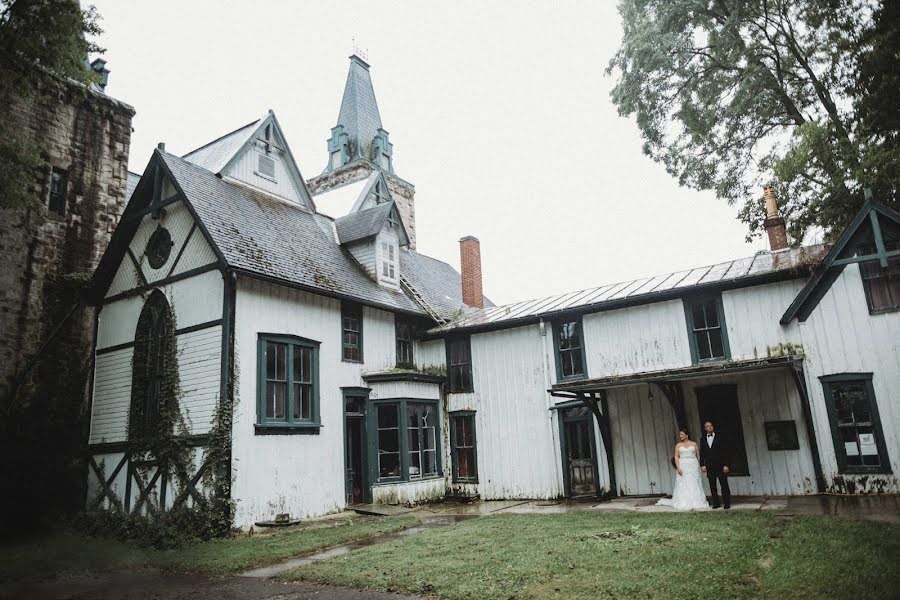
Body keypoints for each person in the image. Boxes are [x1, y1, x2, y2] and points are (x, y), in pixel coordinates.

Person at [656, 428, 709, 511]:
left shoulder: (694, 444)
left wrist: (701, 466)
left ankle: (696, 501)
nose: (680, 436)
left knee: (694, 482)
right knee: (683, 482)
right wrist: (678, 467)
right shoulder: (678, 445)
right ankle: (684, 501)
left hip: (693, 465)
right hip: (683, 464)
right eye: (680, 434)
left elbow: (698, 456)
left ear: (687, 435)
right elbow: (676, 456)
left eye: (682, 434)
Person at [700, 420, 731, 509]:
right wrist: (702, 465)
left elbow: (725, 451)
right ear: (705, 428)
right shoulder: (702, 439)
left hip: (721, 465)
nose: (709, 427)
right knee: (712, 486)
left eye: (711, 426)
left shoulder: (720, 437)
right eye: (707, 426)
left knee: (724, 485)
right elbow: (702, 453)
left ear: (713, 427)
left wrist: (726, 465)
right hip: (710, 466)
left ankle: (727, 503)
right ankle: (716, 503)